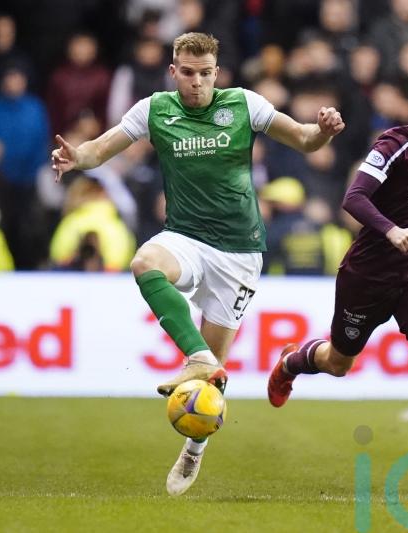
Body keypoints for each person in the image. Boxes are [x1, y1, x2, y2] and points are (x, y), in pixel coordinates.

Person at [51, 32, 344, 495]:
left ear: (216, 72)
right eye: (187, 73)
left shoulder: (245, 104)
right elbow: (100, 149)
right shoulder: (154, 109)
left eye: (205, 73)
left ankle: (194, 449)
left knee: (215, 378)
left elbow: (305, 140)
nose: (196, 82)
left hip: (240, 251)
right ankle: (198, 357)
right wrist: (76, 157)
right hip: (185, 236)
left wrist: (323, 130)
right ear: (174, 71)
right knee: (145, 261)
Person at [267, 65, 408, 492]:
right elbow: (354, 197)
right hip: (368, 274)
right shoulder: (395, 144)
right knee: (338, 362)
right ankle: (292, 361)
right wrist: (392, 230)